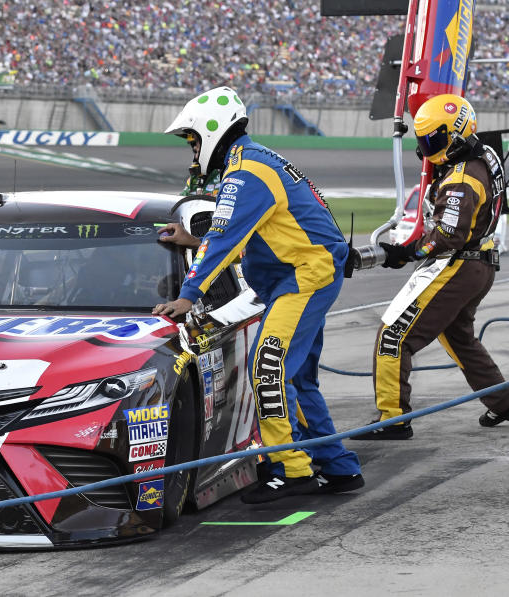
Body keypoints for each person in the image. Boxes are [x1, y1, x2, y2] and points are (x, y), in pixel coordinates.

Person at [153, 86, 363, 503]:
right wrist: (196, 239)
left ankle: (292, 468)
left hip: (303, 277)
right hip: (307, 273)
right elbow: (253, 231)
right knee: (296, 377)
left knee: (267, 366)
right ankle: (337, 465)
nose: (193, 153)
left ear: (212, 132)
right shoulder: (255, 162)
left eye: (193, 141)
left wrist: (188, 295)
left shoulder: (246, 171)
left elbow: (226, 234)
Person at [352, 94, 509, 439]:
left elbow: (448, 235)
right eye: (422, 141)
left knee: (393, 336)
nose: (426, 149)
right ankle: (503, 402)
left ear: (456, 135)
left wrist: (407, 252)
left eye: (433, 141)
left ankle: (393, 418)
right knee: (459, 338)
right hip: (481, 262)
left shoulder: (461, 180)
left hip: (458, 265)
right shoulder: (483, 154)